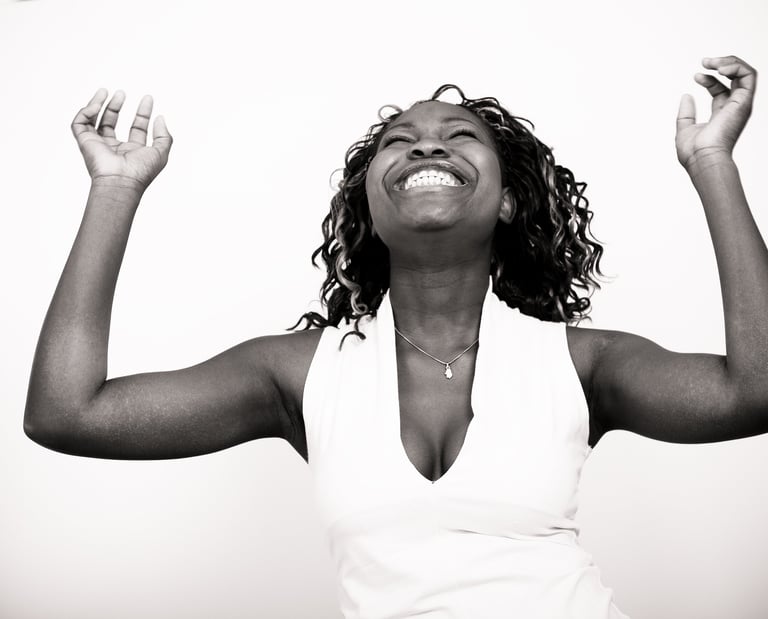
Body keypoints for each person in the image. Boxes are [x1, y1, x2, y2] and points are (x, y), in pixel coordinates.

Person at [24, 55, 764, 618]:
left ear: (508, 202)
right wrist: (114, 189)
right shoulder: (301, 374)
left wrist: (711, 162)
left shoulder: (577, 361)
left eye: (458, 137)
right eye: (399, 141)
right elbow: (68, 411)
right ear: (369, 211)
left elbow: (753, 391)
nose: (424, 147)